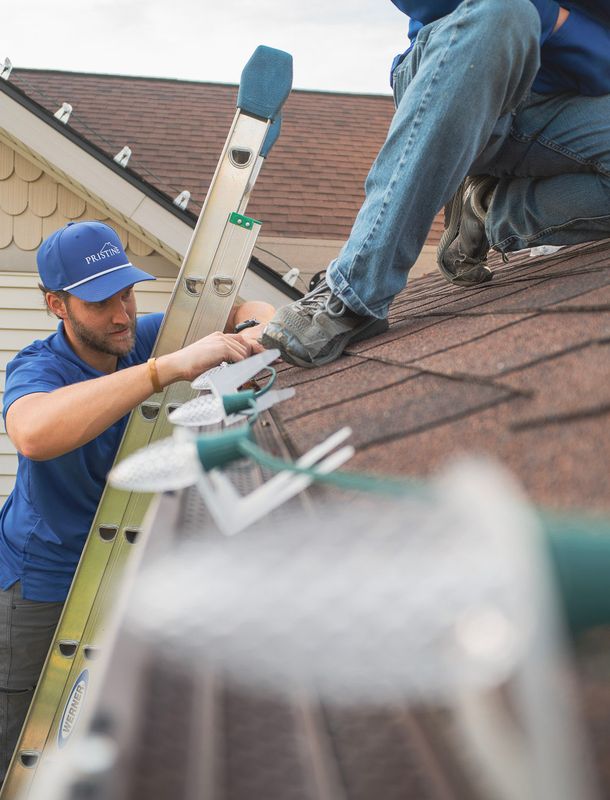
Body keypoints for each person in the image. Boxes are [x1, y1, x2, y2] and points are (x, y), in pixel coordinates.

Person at [0, 220, 273, 782]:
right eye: (101, 301)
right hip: (40, 579)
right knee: (17, 734)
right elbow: (33, 433)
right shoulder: (40, 367)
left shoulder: (140, 336)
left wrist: (249, 335)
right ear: (58, 305)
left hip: (122, 568)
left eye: (126, 290)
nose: (123, 312)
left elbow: (255, 307)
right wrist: (163, 370)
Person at [262, 0, 610, 367]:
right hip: (459, 63)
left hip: (562, 106)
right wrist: (553, 19)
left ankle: (489, 209)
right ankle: (353, 291)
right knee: (506, 11)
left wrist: (555, 23)